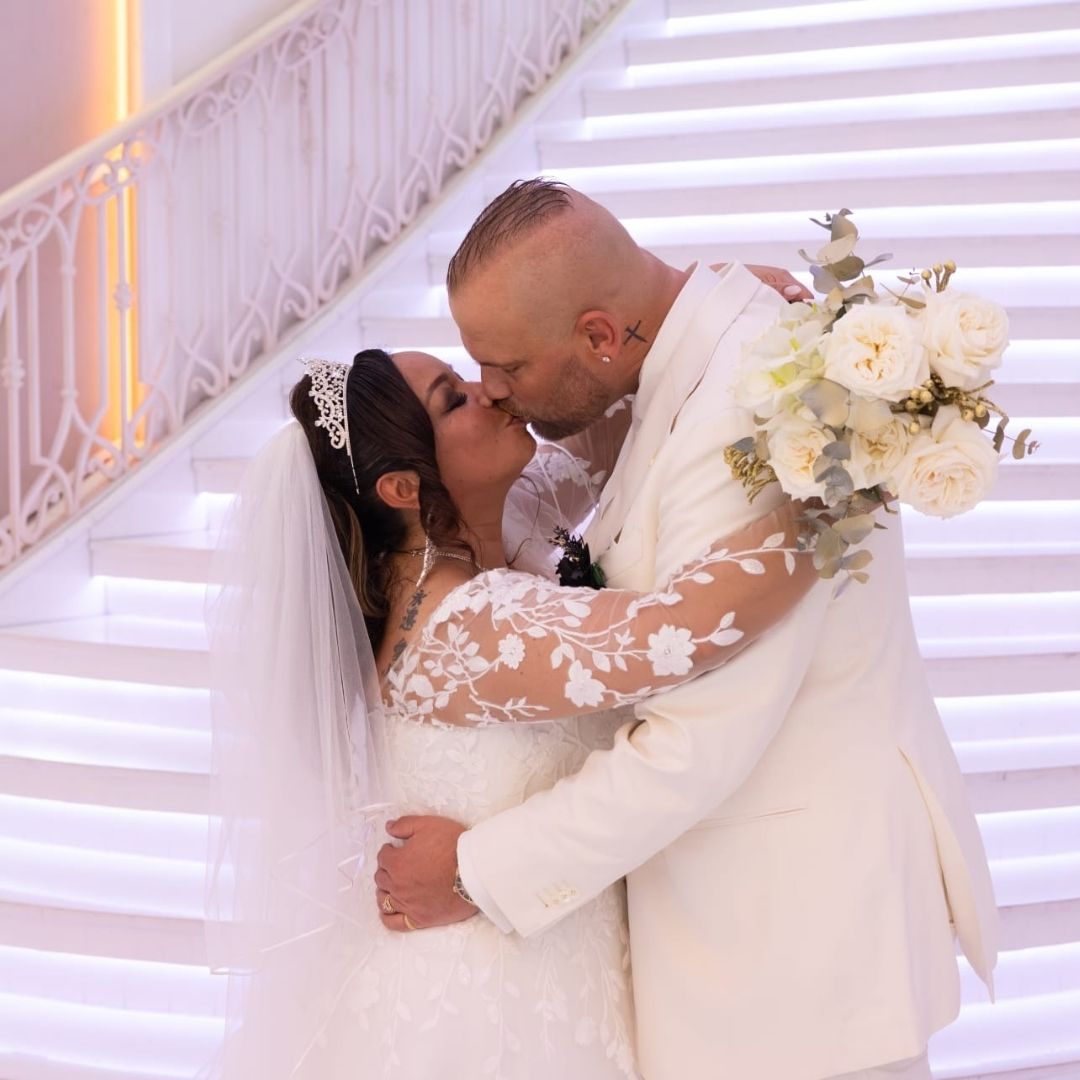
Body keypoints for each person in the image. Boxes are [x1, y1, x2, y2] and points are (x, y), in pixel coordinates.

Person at [375, 180, 999, 1080]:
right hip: (756, 941)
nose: (496, 394)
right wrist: (706, 288)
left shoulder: (743, 416)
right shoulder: (712, 352)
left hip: (791, 949)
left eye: (505, 368)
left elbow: (698, 739)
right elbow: (583, 461)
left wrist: (476, 871)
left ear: (598, 335)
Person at [203, 340, 823, 1079]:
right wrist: (843, 485)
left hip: (539, 953)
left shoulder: (490, 519)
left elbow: (609, 427)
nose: (488, 391)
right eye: (453, 398)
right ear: (402, 488)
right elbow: (681, 631)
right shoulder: (466, 627)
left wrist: (728, 318)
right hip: (493, 1007)